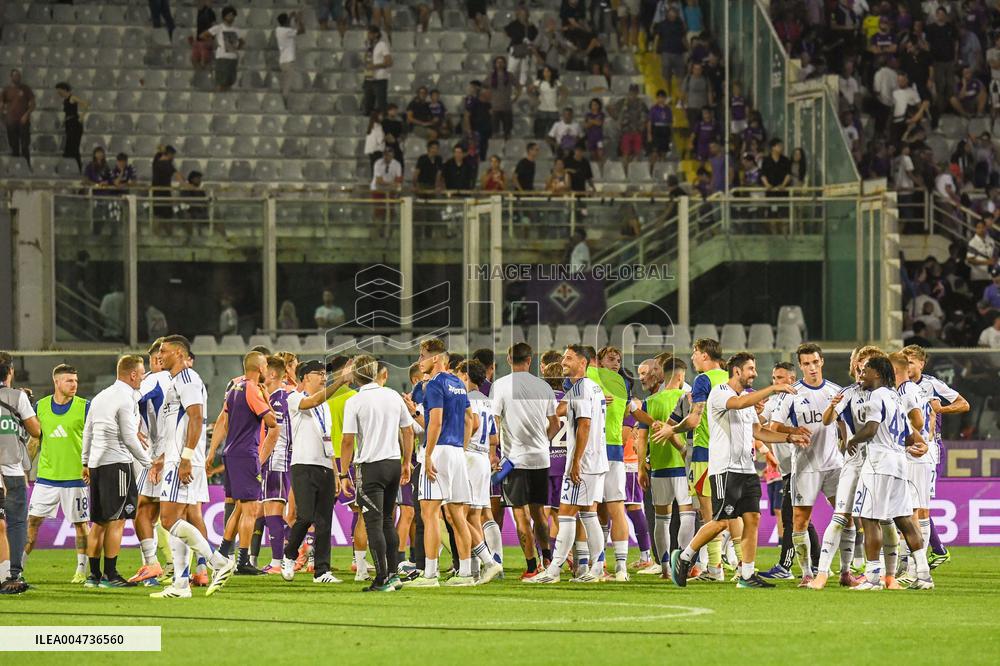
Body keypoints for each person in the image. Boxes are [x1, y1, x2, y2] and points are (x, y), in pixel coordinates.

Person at [668, 352, 807, 588]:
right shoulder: (721, 392)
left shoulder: (747, 399)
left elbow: (758, 431)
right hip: (725, 469)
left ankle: (747, 575)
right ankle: (684, 557)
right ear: (737, 371)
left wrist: (790, 437)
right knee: (722, 521)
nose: (754, 373)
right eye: (751, 369)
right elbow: (739, 404)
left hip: (747, 469)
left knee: (752, 518)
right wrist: (774, 388)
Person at [149, 335, 236, 599]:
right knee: (179, 519)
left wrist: (185, 457)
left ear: (178, 353)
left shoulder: (187, 379)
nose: (159, 356)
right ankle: (181, 583)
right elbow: (179, 424)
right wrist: (164, 456)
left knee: (168, 520)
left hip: (184, 461)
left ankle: (218, 562)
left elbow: (197, 417)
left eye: (163, 351)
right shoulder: (176, 382)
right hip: (177, 458)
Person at [846, 355, 934, 590]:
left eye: (865, 370)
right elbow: (907, 436)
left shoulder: (876, 396)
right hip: (898, 463)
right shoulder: (895, 397)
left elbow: (872, 428)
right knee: (904, 519)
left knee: (869, 519)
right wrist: (919, 444)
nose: (861, 374)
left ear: (877, 373)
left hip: (878, 463)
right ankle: (924, 576)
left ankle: (873, 578)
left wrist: (853, 440)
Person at [524, 345, 607, 584]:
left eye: (569, 358)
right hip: (594, 460)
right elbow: (562, 409)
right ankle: (593, 567)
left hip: (585, 461)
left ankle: (555, 571)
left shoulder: (581, 388)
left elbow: (584, 425)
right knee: (585, 514)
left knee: (570, 513)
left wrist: (576, 461)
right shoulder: (587, 387)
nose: (564, 361)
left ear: (583, 362)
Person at [652, 338, 728, 581]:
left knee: (709, 516)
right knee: (729, 513)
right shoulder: (728, 379)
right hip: (729, 454)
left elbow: (694, 420)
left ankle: (714, 569)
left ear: (704, 355)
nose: (693, 357)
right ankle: (740, 566)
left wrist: (670, 431)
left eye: (695, 352)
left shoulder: (703, 380)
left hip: (705, 453)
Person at [340, 356, 418, 592]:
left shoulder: (355, 401)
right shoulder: (393, 395)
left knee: (373, 523)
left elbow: (347, 440)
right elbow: (408, 430)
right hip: (393, 464)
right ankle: (393, 574)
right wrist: (406, 461)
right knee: (387, 520)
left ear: (355, 375)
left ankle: (382, 578)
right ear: (375, 372)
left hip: (370, 466)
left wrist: (343, 473)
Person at [404, 338, 476, 587]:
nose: (419, 361)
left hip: (438, 451)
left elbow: (435, 422)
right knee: (457, 514)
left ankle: (430, 575)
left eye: (422, 355)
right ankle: (466, 573)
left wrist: (427, 454)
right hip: (456, 452)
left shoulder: (433, 384)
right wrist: (463, 448)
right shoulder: (458, 382)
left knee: (429, 514)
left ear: (435, 358)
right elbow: (470, 420)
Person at [770, 344, 844, 587]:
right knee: (799, 521)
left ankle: (846, 571)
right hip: (804, 467)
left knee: (847, 517)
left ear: (821, 361)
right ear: (800, 366)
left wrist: (848, 442)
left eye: (815, 362)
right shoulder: (791, 394)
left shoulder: (835, 391)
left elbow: (844, 422)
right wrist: (792, 431)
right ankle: (806, 574)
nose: (812, 368)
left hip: (834, 465)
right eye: (806, 364)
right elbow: (774, 428)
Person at [80, 355, 153, 588]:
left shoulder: (100, 397)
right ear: (132, 374)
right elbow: (129, 437)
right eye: (142, 373)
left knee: (99, 522)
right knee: (117, 520)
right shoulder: (126, 398)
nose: (143, 378)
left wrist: (85, 462)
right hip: (117, 464)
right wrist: (148, 461)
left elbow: (88, 432)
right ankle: (111, 576)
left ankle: (93, 576)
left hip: (97, 464)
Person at [279, 360, 353, 583]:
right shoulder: (294, 398)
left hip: (324, 465)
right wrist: (340, 381)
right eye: (318, 374)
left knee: (324, 521)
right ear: (305, 378)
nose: (323, 377)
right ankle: (289, 555)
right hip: (303, 464)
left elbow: (327, 438)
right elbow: (312, 401)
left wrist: (336, 471)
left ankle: (322, 571)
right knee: (305, 516)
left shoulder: (325, 407)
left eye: (324, 374)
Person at [491, 343, 559, 577]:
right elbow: (555, 423)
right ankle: (548, 558)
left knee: (521, 514)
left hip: (515, 460)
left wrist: (494, 451)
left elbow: (495, 421)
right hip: (541, 458)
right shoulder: (543, 386)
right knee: (539, 512)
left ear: (509, 360)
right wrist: (543, 441)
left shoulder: (500, 386)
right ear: (530, 360)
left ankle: (532, 567)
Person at [902, 344, 970, 567]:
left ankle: (922, 558)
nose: (907, 365)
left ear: (922, 363)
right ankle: (932, 552)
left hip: (930, 448)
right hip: (907, 446)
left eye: (911, 361)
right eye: (905, 361)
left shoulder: (932, 384)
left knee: (919, 505)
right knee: (909, 503)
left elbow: (964, 404)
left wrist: (940, 410)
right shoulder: (899, 385)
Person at [24, 365, 90, 584]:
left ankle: (81, 570)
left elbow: (94, 440)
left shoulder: (85, 407)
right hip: (46, 479)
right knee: (32, 522)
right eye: (69, 381)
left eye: (76, 381)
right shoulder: (40, 407)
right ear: (57, 382)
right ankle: (17, 568)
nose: (74, 385)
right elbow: (34, 441)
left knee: (81, 525)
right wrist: (25, 468)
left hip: (76, 479)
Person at [219, 352, 278, 575]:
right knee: (251, 509)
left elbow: (225, 419)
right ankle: (243, 560)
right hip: (246, 453)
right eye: (264, 366)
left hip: (232, 451)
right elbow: (271, 421)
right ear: (259, 368)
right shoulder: (253, 389)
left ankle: (223, 552)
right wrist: (265, 398)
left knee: (240, 508)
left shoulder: (235, 388)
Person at [636, 357, 694, 578]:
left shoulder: (650, 401)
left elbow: (641, 439)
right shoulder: (687, 399)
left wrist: (642, 467)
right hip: (684, 465)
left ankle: (666, 568)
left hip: (659, 467)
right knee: (687, 514)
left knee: (662, 518)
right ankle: (682, 561)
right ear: (680, 376)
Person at [126, 339, 174, 585]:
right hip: (179, 453)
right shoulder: (186, 381)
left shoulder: (154, 380)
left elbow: (131, 398)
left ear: (156, 360)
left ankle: (152, 564)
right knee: (179, 512)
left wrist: (131, 427)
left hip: (155, 456)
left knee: (144, 510)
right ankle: (191, 567)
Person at [0, 353, 41, 594]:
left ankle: (7, 574)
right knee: (15, 523)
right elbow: (35, 430)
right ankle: (12, 573)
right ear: (11, 372)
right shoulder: (17, 398)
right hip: (12, 470)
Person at [201, 6, 244, 92]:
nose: (231, 17)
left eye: (232, 15)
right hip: (222, 58)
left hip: (233, 59)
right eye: (229, 15)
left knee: (230, 83)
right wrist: (214, 42)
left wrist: (237, 48)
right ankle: (218, 100)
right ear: (224, 16)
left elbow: (242, 42)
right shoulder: (218, 28)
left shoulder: (236, 30)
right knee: (221, 83)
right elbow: (203, 35)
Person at [609, 84, 647, 171]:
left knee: (637, 154)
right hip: (626, 132)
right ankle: (625, 174)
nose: (633, 94)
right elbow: (610, 108)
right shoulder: (623, 102)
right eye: (631, 92)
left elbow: (646, 117)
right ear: (629, 92)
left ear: (637, 92)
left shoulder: (641, 103)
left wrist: (642, 127)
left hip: (637, 132)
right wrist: (617, 119)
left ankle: (635, 172)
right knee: (625, 153)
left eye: (635, 92)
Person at [1, 69, 35, 166]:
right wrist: (3, 118)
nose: (18, 77)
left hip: (23, 121)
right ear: (11, 77)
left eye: (19, 76)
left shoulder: (26, 89)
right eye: (15, 75)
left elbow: (33, 104)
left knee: (25, 146)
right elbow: (1, 105)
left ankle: (27, 167)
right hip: (11, 122)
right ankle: (16, 168)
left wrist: (26, 114)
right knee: (14, 146)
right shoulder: (6, 90)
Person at [55, 83, 87, 172]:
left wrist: (82, 116)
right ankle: (69, 168)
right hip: (69, 125)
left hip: (75, 125)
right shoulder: (65, 100)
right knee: (69, 147)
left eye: (59, 91)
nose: (59, 93)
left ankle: (78, 168)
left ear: (64, 89)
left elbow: (86, 104)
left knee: (74, 147)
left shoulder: (72, 98)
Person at [276, 12, 305, 106]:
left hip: (282, 61)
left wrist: (292, 17)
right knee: (287, 84)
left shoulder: (278, 30)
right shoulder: (286, 31)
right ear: (286, 21)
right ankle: (284, 102)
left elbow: (290, 26)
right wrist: (299, 20)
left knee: (285, 82)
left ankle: (285, 101)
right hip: (288, 62)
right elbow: (302, 31)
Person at [362, 26, 392, 116]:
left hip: (380, 78)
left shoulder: (382, 45)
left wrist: (375, 66)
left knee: (381, 103)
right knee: (368, 103)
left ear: (376, 34)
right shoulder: (368, 46)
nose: (368, 35)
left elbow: (389, 62)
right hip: (369, 77)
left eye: (370, 33)